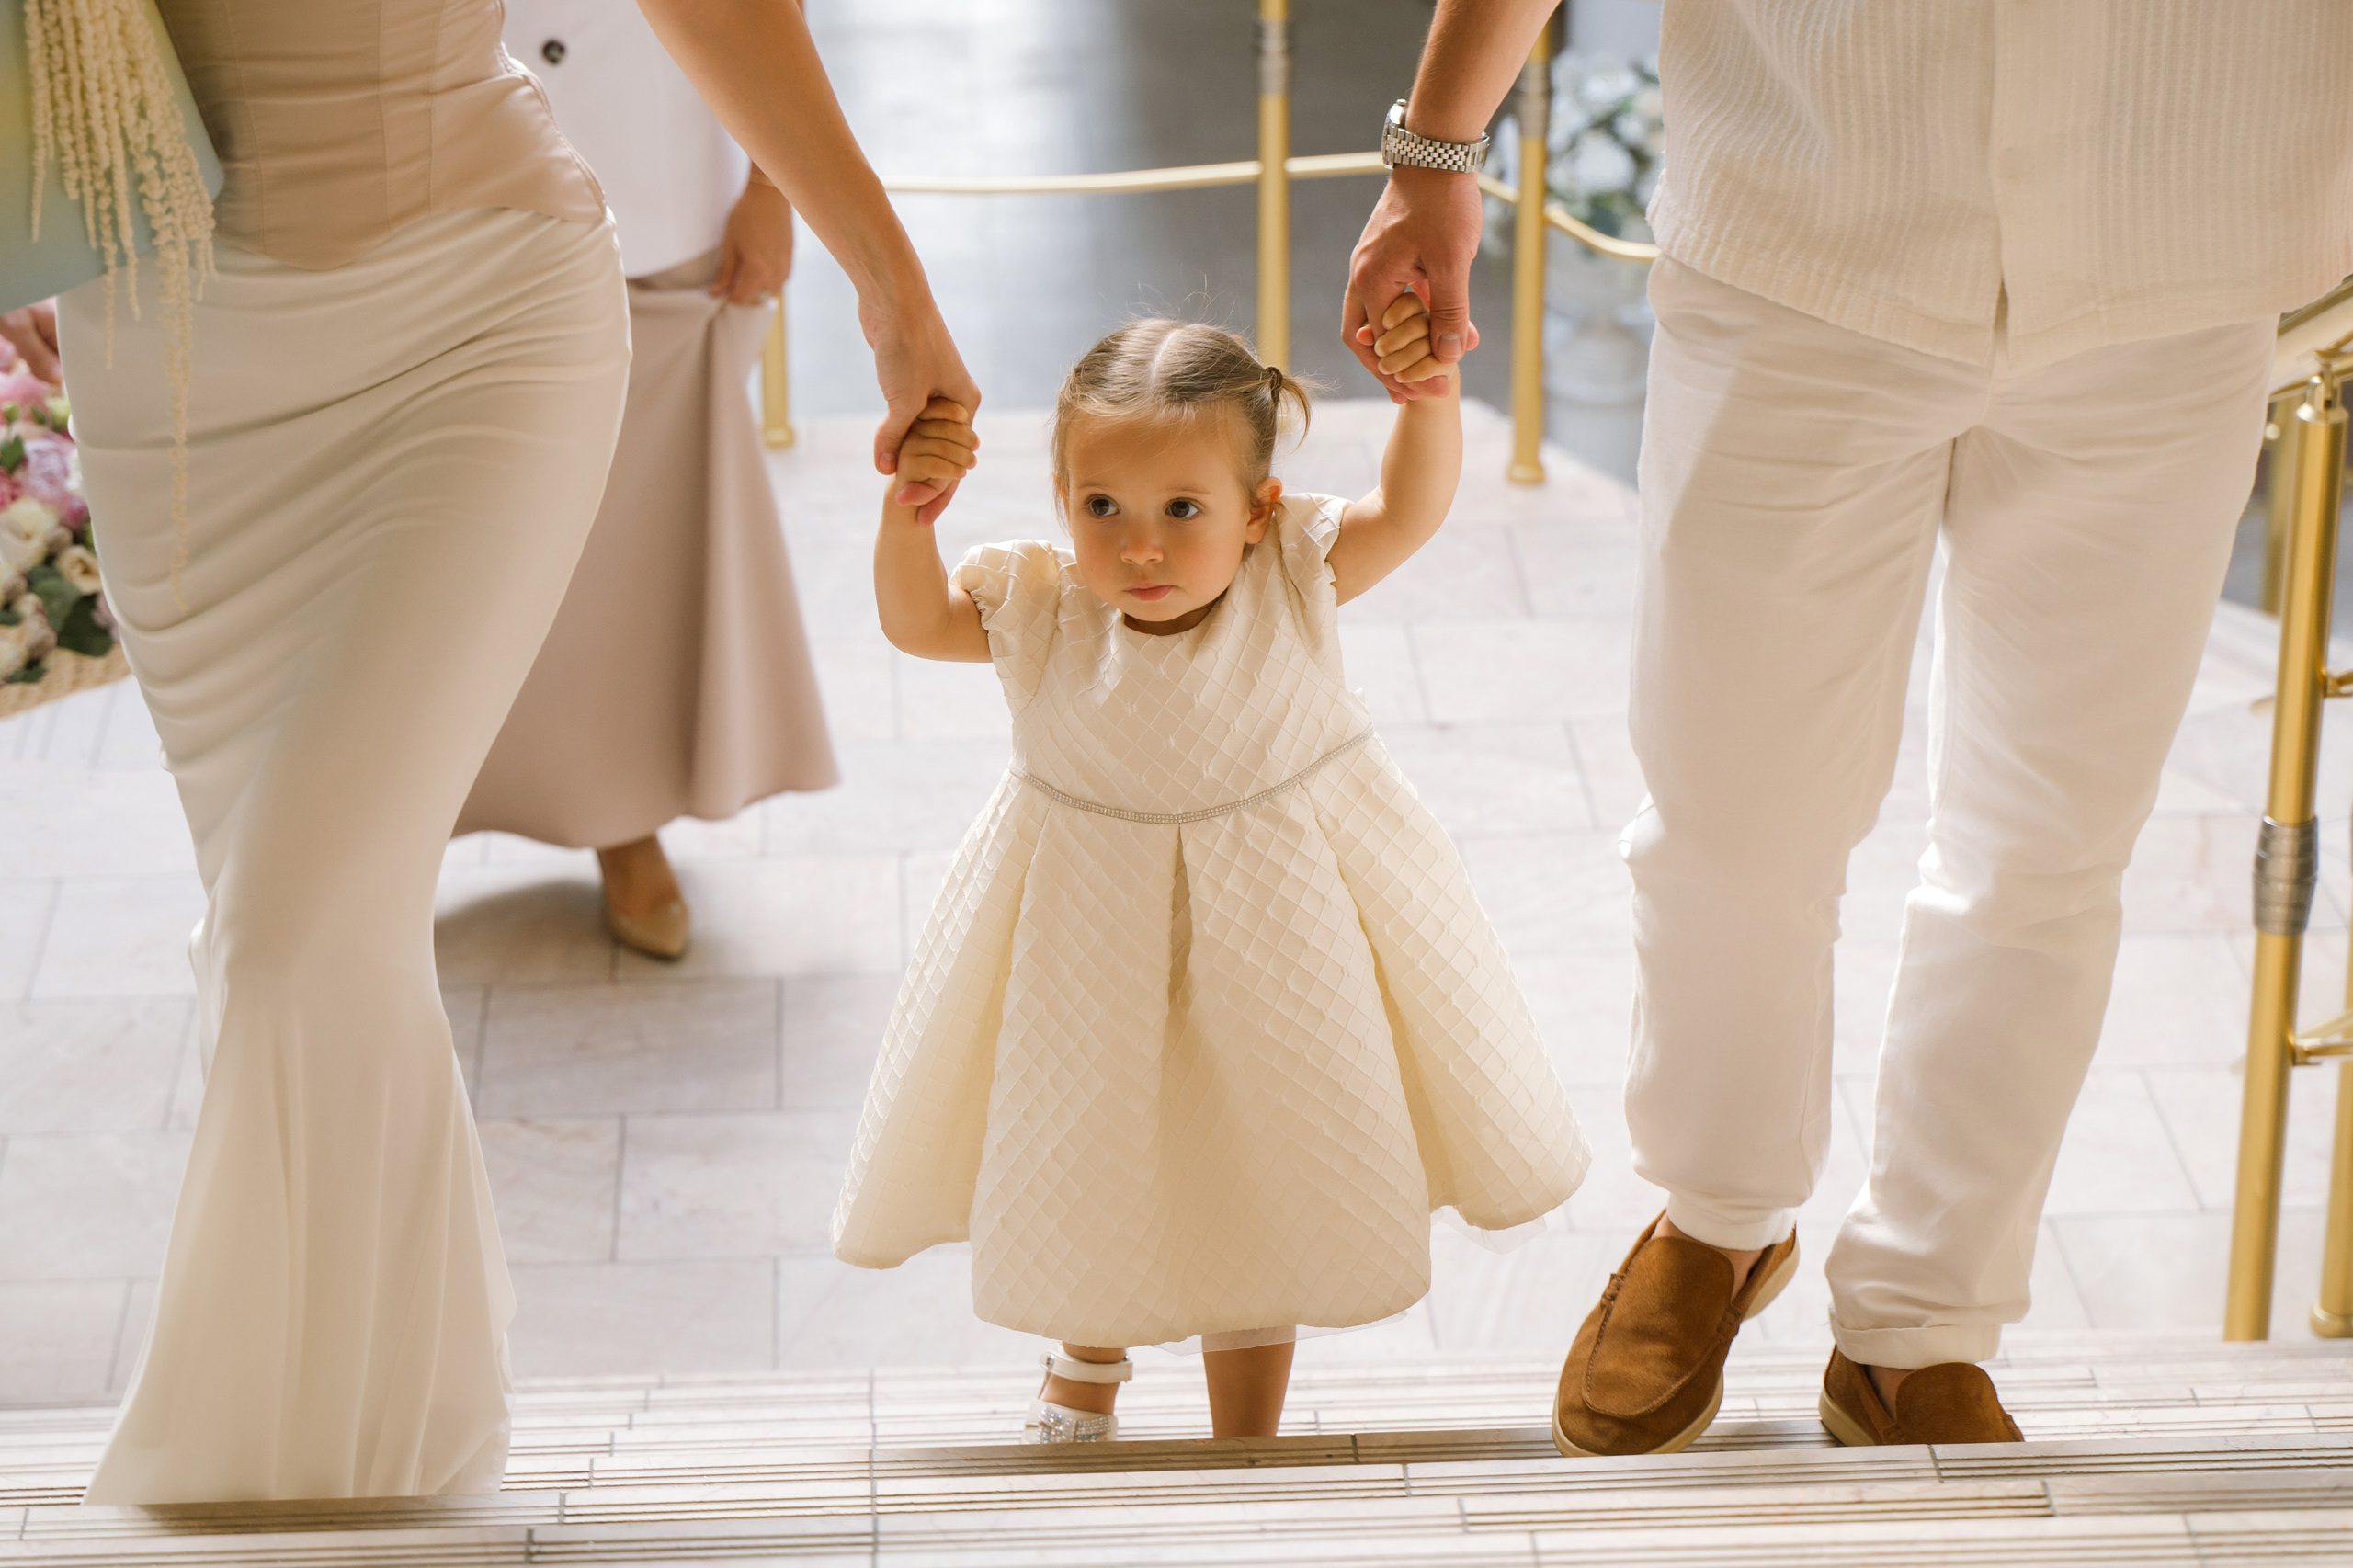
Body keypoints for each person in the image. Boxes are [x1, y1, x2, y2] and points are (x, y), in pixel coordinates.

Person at [1346, 0, 2353, 1455]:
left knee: (2047, 848)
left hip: (2179, 224)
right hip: (1804, 203)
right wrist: (1437, 145)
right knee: (1730, 811)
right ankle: (1720, 1211)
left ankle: (1921, 1322)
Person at [42, 0, 974, 1503]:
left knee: (291, 927)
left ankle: (284, 1470)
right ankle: (383, 1436)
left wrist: (888, 281)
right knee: (295, 921)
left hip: (472, 309)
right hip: (175, 361)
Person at [831, 301, 1589, 1442]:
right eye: (1102, 507)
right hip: (1088, 930)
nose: (1139, 545)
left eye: (1183, 509)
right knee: (1092, 1140)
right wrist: (910, 513)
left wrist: (1426, 400)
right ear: (1063, 502)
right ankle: (1086, 1367)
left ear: (1257, 511)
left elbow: (1413, 509)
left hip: (1277, 930)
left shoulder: (1294, 575)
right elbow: (912, 622)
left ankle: (1250, 1441)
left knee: (1257, 1163)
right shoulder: (1043, 608)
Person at [458, 0, 840, 960]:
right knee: (438, 554)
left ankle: (621, 822)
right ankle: (382, 836)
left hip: (655, 184)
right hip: (441, 195)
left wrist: (773, 182)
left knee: (624, 549)